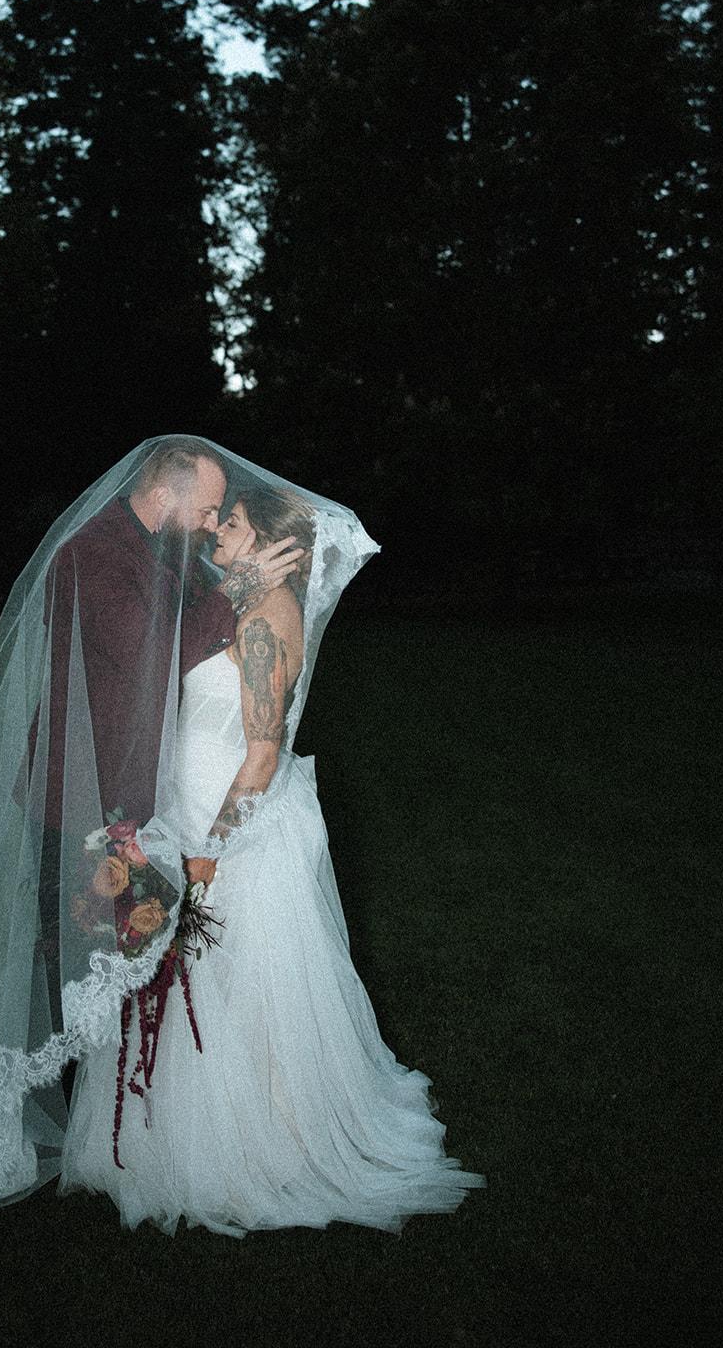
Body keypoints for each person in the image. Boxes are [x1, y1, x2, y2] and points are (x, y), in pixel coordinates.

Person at [0, 438, 306, 1283]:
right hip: (78, 805)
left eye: (223, 514)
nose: (214, 521)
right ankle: (2, 1128)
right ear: (168, 495)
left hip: (128, 803)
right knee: (64, 971)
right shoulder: (91, 554)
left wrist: (237, 588)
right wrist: (238, 590)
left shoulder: (160, 549)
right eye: (208, 507)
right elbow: (151, 648)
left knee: (112, 964)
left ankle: (123, 1123)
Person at [58, 478, 486, 1235]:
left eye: (230, 521)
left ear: (268, 540)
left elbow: (259, 756)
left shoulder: (264, 620)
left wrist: (207, 855)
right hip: (194, 812)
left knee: (239, 987)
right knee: (190, 982)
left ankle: (257, 1143)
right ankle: (174, 1130)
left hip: (233, 832)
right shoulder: (238, 603)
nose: (216, 529)